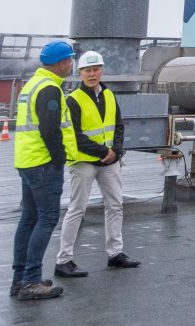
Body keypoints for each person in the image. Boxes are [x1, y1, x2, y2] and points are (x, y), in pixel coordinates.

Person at [54, 51, 140, 277]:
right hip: (84, 161)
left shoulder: (109, 95)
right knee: (77, 209)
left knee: (115, 205)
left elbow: (118, 125)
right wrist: (106, 152)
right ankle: (64, 259)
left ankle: (115, 253)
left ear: (101, 70)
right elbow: (75, 135)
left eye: (95, 70)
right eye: (87, 71)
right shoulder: (73, 100)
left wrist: (116, 151)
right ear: (80, 73)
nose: (92, 74)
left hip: (109, 161)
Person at [11, 40, 78, 301]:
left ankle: (20, 279)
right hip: (43, 164)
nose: (72, 64)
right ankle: (31, 281)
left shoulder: (31, 85)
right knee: (47, 218)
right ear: (62, 63)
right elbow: (50, 129)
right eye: (70, 60)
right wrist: (59, 158)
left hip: (27, 161)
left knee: (28, 219)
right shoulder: (50, 89)